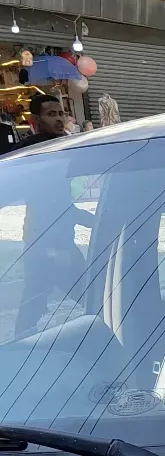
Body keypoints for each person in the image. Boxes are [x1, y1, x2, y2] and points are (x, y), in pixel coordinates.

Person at [12, 94, 86, 336]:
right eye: (50, 114)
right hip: (45, 244)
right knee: (90, 295)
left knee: (35, 300)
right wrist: (55, 250)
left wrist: (92, 219)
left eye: (61, 113)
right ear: (35, 119)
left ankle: (22, 344)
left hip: (56, 242)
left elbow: (62, 204)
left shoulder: (68, 147)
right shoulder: (33, 151)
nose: (58, 119)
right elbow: (47, 205)